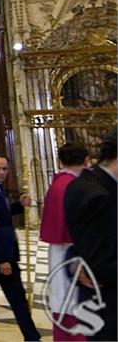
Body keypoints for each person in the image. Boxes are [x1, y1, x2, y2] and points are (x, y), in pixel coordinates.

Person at [0, 154, 40, 341]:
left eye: (4, 168)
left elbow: (2, 215)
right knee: (7, 302)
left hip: (3, 257)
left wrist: (19, 205)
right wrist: (3, 259)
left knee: (14, 301)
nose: (2, 172)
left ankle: (31, 337)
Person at [64, 131, 117, 341]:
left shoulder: (90, 182)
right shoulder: (96, 194)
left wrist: (75, 259)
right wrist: (76, 260)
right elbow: (102, 262)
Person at [40, 143, 88, 341]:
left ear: (60, 161)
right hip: (72, 252)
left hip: (60, 249)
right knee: (72, 301)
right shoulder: (73, 185)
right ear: (86, 161)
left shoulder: (58, 183)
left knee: (63, 298)